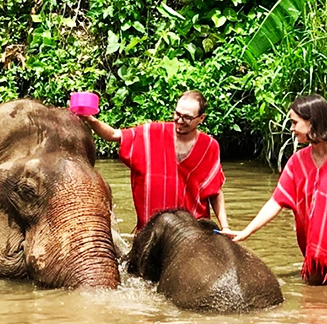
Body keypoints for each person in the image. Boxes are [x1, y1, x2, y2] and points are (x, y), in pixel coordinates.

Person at [224, 95, 327, 287]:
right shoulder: (297, 161)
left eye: (294, 122)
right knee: (312, 310)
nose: (291, 129)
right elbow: (276, 201)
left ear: (312, 122)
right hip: (312, 258)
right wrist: (246, 232)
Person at [83, 90, 229, 232]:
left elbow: (214, 190)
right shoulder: (151, 134)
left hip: (192, 232)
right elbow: (114, 135)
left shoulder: (209, 146)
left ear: (201, 118)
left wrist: (225, 227)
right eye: (177, 114)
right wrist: (91, 119)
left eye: (187, 118)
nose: (179, 121)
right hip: (152, 231)